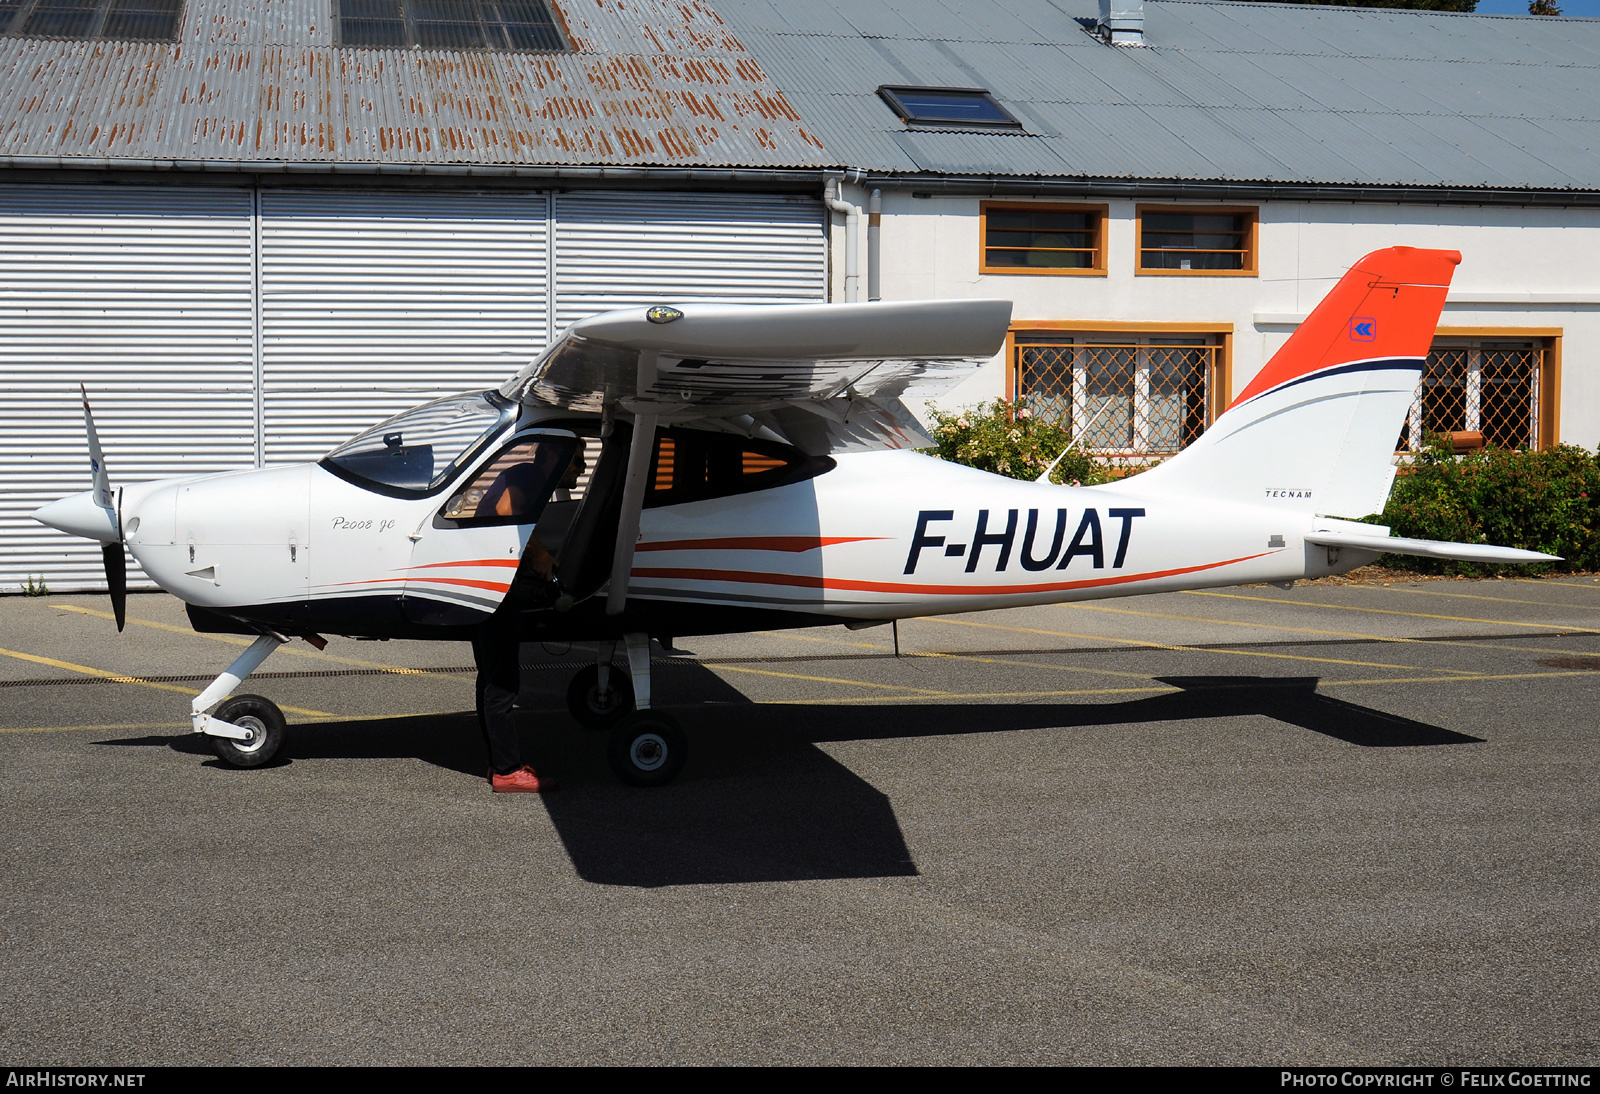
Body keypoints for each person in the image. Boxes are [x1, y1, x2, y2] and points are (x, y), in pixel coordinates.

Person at [472, 446, 585, 793]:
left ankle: (499, 764)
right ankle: (508, 771)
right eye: (577, 459)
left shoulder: (527, 476)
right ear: (553, 457)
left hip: (483, 581)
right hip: (495, 585)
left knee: (491, 678)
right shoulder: (529, 477)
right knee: (503, 683)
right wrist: (539, 554)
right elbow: (507, 514)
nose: (581, 469)